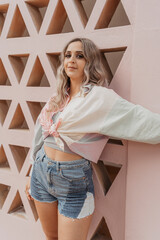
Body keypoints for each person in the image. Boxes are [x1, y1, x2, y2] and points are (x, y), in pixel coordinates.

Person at [25, 38, 160, 240]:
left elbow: (138, 119)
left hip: (72, 179)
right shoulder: (58, 96)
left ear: (90, 63)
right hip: (40, 173)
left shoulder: (99, 97)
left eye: (79, 56)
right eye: (68, 55)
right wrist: (31, 171)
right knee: (51, 236)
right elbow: (40, 134)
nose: (71, 60)